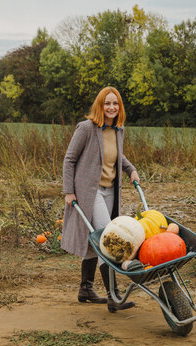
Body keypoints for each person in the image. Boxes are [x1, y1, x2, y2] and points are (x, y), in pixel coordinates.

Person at [61, 86, 140, 312]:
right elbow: (69, 159)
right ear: (100, 105)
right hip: (90, 191)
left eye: (115, 104)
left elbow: (116, 155)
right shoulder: (86, 128)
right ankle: (113, 296)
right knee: (109, 237)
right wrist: (69, 190)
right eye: (107, 103)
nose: (111, 107)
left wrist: (130, 169)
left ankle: (85, 289)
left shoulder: (118, 129)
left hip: (110, 191)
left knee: (94, 239)